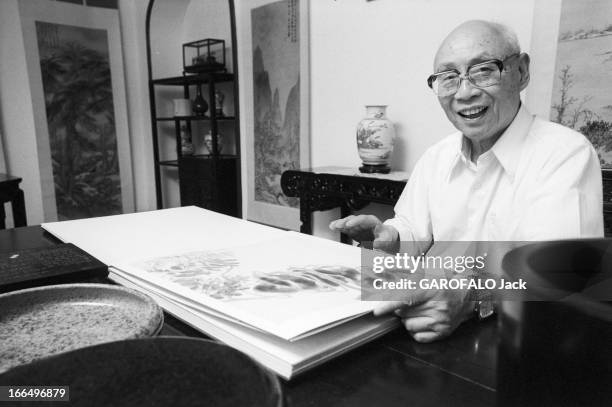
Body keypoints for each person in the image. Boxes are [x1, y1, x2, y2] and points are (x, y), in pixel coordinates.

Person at [330, 20, 604, 343]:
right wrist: (390, 237)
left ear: (521, 72)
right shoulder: (437, 156)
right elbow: (412, 228)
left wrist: (473, 297)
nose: (465, 92)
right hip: (431, 329)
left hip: (522, 345)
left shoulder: (565, 154)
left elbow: (556, 280)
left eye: (484, 70)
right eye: (448, 78)